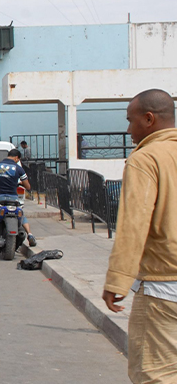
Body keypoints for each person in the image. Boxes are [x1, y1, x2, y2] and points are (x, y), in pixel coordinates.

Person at [101, 89, 177, 383]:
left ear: (149, 119)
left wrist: (117, 280)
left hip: (164, 288)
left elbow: (134, 225)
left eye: (131, 121)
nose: (128, 129)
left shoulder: (146, 159)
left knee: (154, 373)